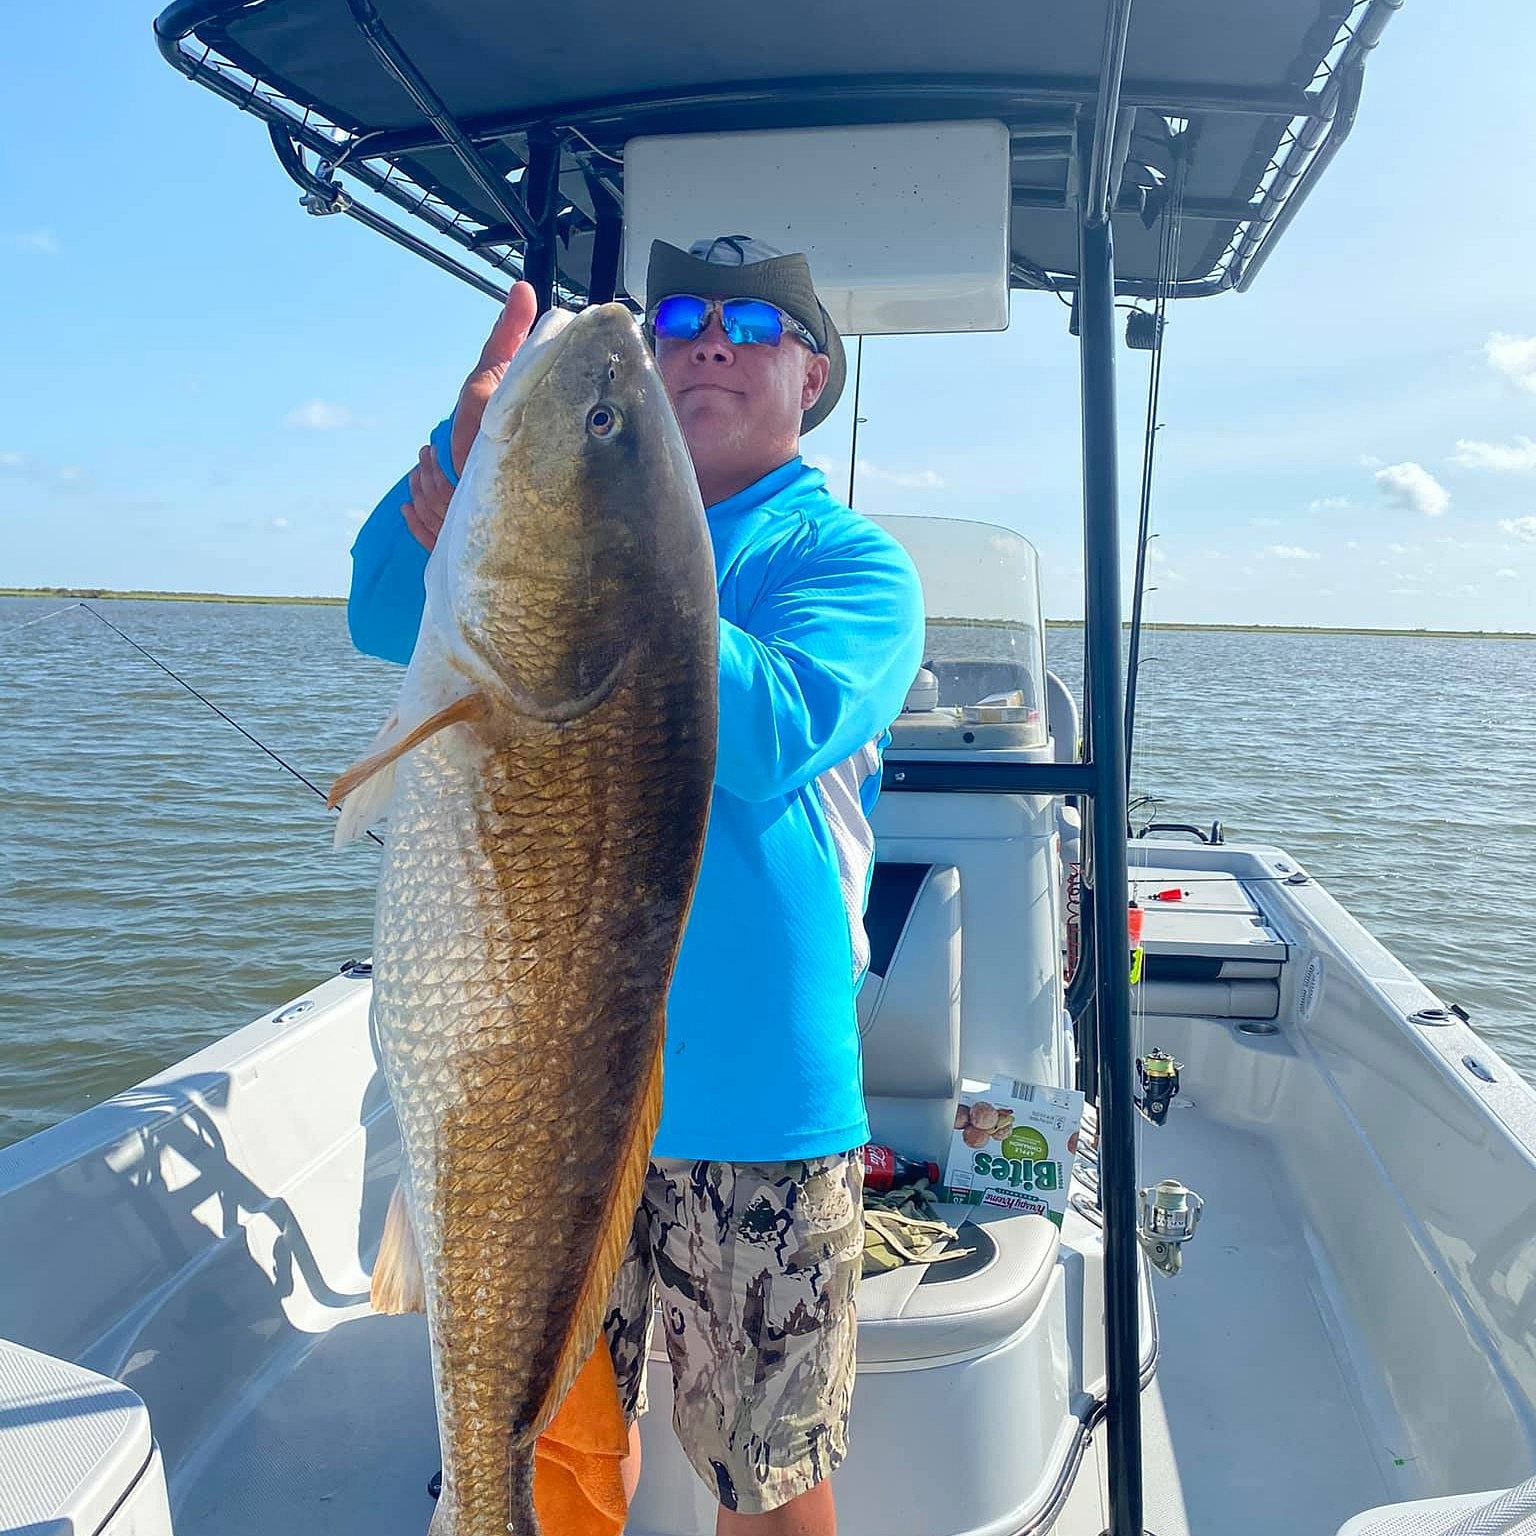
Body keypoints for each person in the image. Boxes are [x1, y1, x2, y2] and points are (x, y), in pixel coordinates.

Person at [348, 235, 926, 1536]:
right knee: (547, 1445)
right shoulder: (544, 533)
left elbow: (775, 726)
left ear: (815, 376)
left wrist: (595, 559)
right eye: (683, 317)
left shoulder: (849, 565)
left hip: (757, 1101)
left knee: (765, 1468)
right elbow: (384, 612)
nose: (709, 338)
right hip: (537, 1088)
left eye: (754, 323)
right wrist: (457, 469)